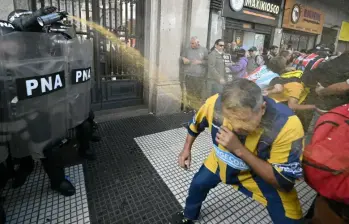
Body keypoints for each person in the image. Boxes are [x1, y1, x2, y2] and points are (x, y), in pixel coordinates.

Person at [170, 78, 305, 224]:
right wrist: (186, 150)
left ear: (262, 108)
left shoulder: (287, 125)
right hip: (220, 161)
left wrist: (239, 149)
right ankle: (189, 215)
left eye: (244, 120)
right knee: (198, 184)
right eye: (228, 118)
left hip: (259, 175)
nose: (235, 127)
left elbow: (284, 182)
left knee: (291, 219)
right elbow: (195, 125)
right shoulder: (213, 104)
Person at [181, 37, 208, 111]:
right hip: (189, 75)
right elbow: (181, 57)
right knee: (189, 92)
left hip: (199, 76)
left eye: (193, 43)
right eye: (191, 43)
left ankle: (196, 109)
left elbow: (208, 62)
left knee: (198, 94)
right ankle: (188, 108)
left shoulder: (204, 50)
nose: (191, 45)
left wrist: (200, 62)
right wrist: (183, 59)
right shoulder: (187, 49)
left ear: (197, 43)